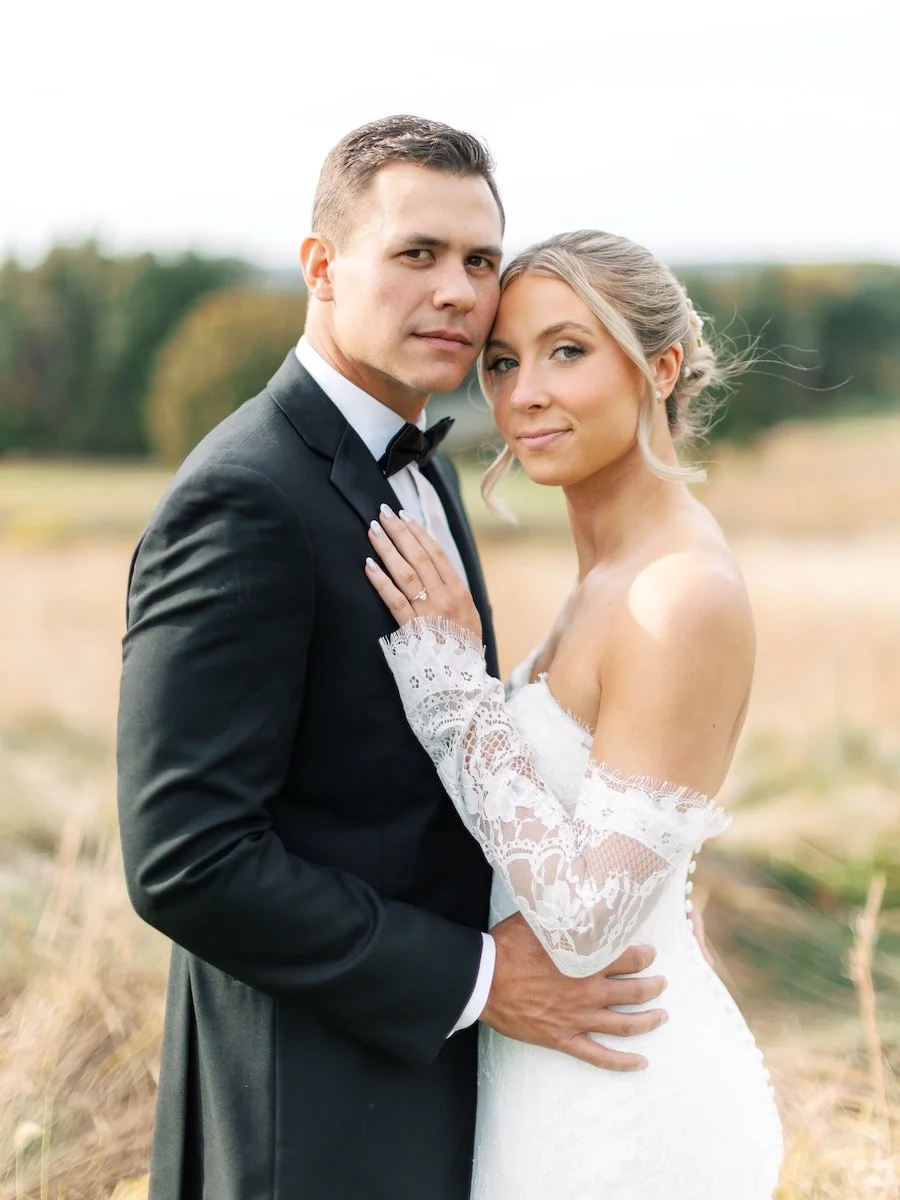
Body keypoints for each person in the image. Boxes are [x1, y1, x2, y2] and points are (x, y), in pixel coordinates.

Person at [116, 121, 668, 1200]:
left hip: (431, 1091)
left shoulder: (423, 471)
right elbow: (187, 857)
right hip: (311, 1119)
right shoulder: (245, 498)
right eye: (417, 254)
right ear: (322, 266)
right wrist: (479, 978)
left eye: (478, 261)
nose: (459, 293)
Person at [366, 229, 785, 1199]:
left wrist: (451, 691)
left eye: (567, 351)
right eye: (503, 363)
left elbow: (589, 922)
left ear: (661, 366)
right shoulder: (607, 576)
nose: (524, 395)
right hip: (556, 1075)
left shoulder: (681, 594)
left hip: (631, 1107)